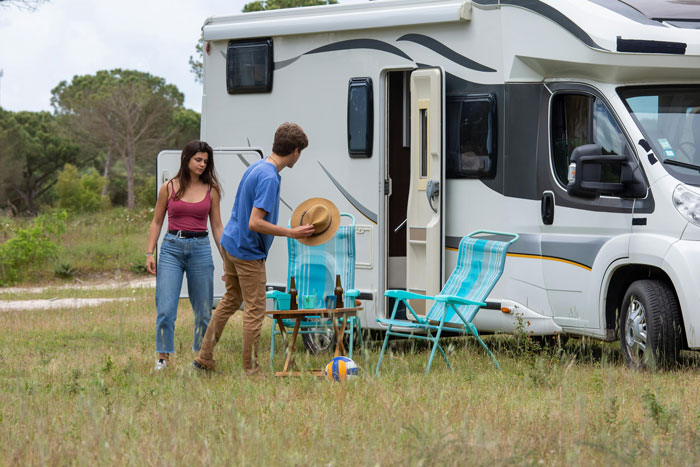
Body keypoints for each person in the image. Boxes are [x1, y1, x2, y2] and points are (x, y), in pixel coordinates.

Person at [194, 122, 315, 375]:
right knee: (255, 311)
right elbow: (255, 222)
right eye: (300, 152)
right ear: (294, 151)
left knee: (230, 300)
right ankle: (251, 370)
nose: (299, 157)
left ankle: (204, 357)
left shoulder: (258, 166)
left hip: (230, 243)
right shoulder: (270, 177)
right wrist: (291, 232)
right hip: (247, 251)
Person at [145, 140, 224, 371]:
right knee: (166, 308)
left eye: (205, 161)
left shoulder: (211, 190)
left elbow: (218, 226)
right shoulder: (168, 188)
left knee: (202, 309)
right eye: (198, 160)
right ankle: (163, 357)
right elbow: (157, 221)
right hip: (171, 248)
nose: (202, 165)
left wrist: (227, 260)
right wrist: (150, 252)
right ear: (186, 159)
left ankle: (202, 358)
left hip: (200, 247)